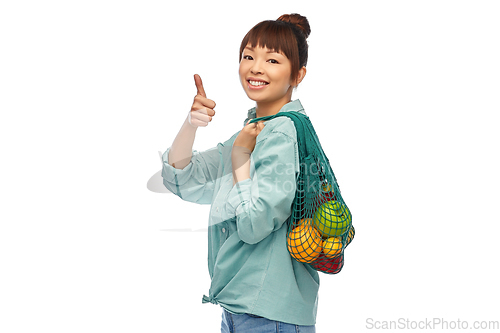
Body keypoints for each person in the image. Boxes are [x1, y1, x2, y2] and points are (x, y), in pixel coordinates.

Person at [162, 14, 318, 332]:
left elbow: (254, 225)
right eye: (248, 56)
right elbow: (183, 179)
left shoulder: (282, 132)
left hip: (268, 313)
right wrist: (190, 124)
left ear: (297, 74)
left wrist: (240, 158)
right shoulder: (251, 132)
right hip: (242, 309)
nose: (255, 68)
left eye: (272, 59)